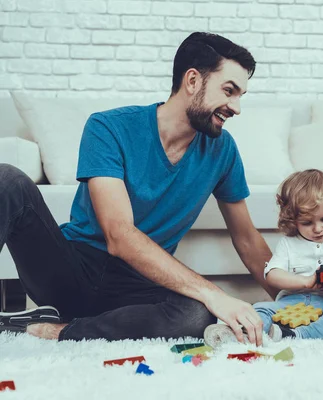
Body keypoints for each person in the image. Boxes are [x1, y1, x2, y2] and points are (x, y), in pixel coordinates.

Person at [0, 32, 278, 345]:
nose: (236, 107)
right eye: (229, 91)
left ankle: (59, 331)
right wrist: (215, 294)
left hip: (135, 288)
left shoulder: (222, 150)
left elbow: (248, 239)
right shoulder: (108, 127)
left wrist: (289, 301)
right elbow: (119, 235)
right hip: (71, 271)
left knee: (196, 316)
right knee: (7, 179)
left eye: (241, 95)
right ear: (192, 81)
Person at [204, 169, 323, 347]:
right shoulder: (289, 244)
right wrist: (305, 281)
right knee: (258, 309)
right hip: (289, 304)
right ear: (292, 219)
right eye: (307, 223)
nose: (318, 229)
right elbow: (272, 275)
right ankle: (239, 335)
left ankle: (296, 335)